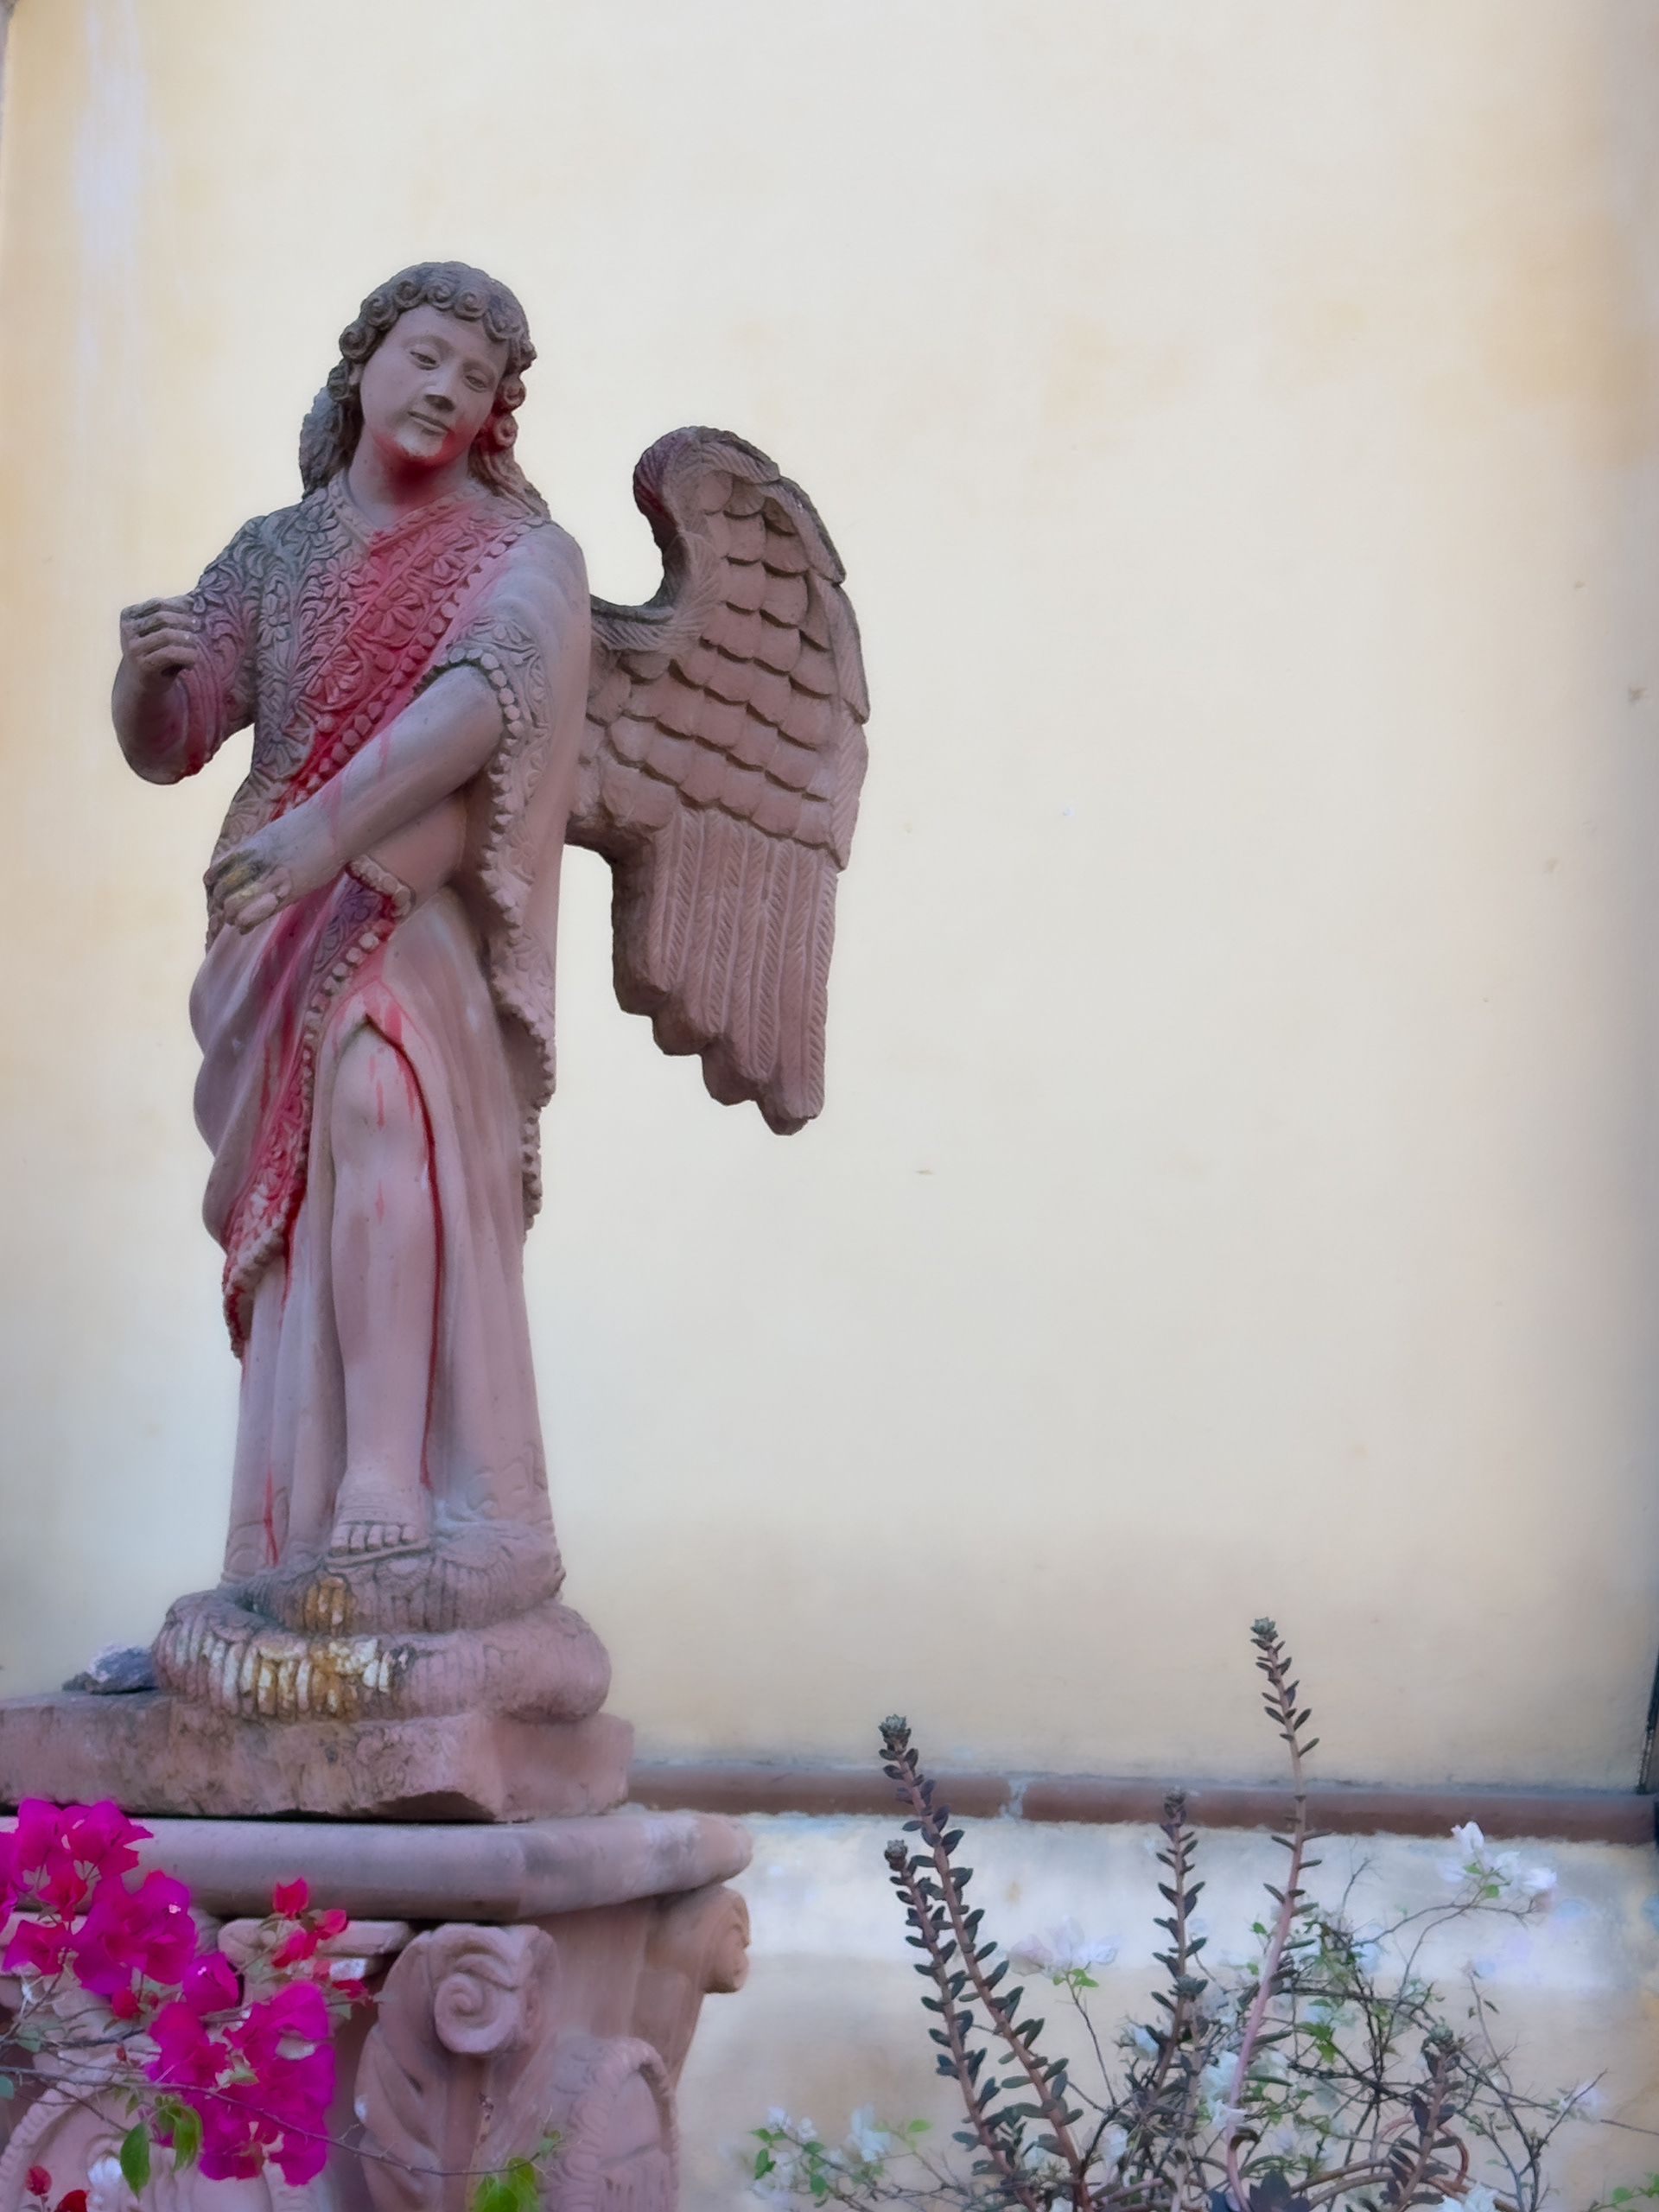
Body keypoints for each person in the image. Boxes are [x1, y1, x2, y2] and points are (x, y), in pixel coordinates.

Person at [112, 263, 586, 1600]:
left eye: (476, 379)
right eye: (424, 356)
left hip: (406, 898)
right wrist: (144, 680)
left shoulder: (527, 560)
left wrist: (323, 836)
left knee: (382, 1101)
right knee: (310, 1202)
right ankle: (298, 1515)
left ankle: (388, 1472)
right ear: (365, 362)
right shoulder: (275, 553)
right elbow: (175, 739)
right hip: (266, 920)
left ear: (496, 416)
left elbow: (486, 706)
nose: (446, 389)